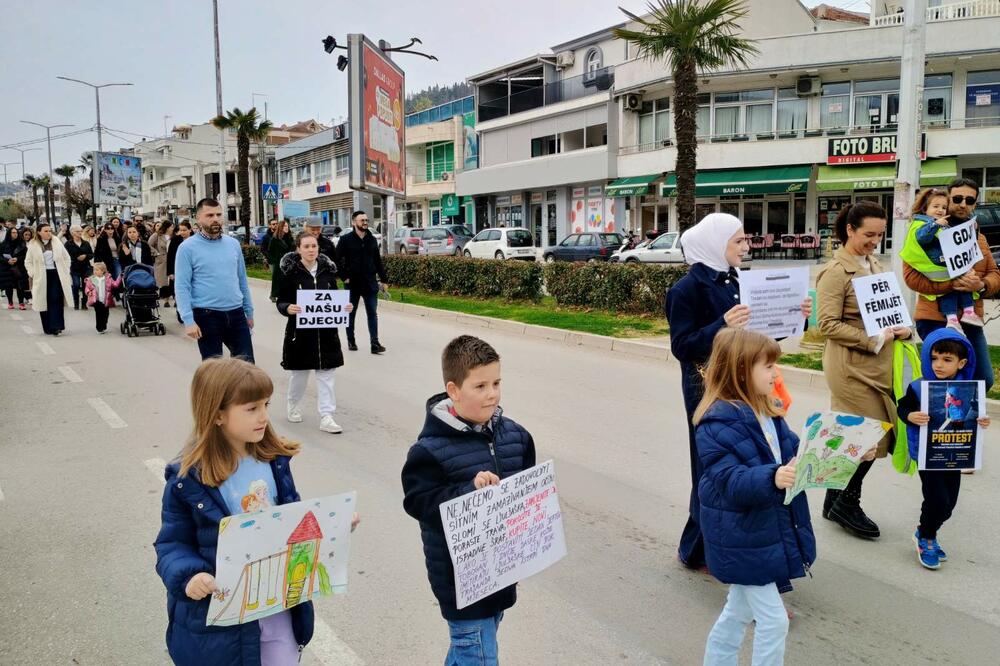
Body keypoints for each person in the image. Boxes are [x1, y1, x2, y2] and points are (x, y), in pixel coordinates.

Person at [155, 359, 328, 664]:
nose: (264, 416)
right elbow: (172, 544)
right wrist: (190, 576)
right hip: (219, 623)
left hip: (278, 608)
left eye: (266, 404)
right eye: (251, 408)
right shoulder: (188, 480)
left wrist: (331, 526)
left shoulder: (274, 461)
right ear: (218, 414)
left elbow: (293, 520)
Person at [666, 213, 810, 570]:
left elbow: (756, 336)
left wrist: (796, 314)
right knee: (712, 469)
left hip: (747, 386)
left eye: (746, 240)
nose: (746, 247)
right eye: (738, 241)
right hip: (709, 389)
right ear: (715, 246)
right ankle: (702, 548)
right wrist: (722, 325)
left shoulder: (737, 280)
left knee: (748, 461)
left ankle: (705, 547)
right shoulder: (685, 289)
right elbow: (683, 346)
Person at [402, 335, 536, 666]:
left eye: (496, 383)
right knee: (477, 652)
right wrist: (469, 492)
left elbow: (528, 490)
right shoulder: (429, 450)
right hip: (460, 581)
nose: (492, 393)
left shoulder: (515, 436)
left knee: (473, 648)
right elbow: (419, 502)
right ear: (453, 390)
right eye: (480, 386)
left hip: (500, 571)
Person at [695, 328, 816, 666]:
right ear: (740, 371)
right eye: (767, 367)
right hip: (741, 536)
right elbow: (729, 480)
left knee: (736, 612)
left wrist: (844, 451)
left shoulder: (770, 413)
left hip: (762, 532)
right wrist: (773, 476)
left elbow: (796, 453)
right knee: (774, 621)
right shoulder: (715, 422)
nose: (776, 373)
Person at [816, 201, 912, 539]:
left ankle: (833, 498)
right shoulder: (835, 272)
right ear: (849, 230)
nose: (875, 241)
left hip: (878, 365)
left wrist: (904, 329)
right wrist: (871, 339)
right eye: (868, 234)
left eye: (880, 235)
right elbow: (827, 324)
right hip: (849, 365)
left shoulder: (874, 264)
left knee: (859, 435)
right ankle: (847, 502)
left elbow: (892, 312)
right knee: (868, 434)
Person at [895, 329, 990, 570]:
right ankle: (927, 538)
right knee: (936, 499)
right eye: (934, 358)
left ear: (962, 362)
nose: (938, 365)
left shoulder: (968, 389)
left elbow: (971, 415)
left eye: (947, 360)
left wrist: (981, 420)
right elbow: (902, 408)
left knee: (949, 504)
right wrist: (910, 415)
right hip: (929, 454)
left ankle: (924, 530)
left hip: (955, 455)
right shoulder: (918, 387)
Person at [904, 177, 1000, 389]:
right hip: (934, 318)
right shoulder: (926, 233)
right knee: (940, 382)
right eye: (957, 198)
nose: (963, 204)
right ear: (948, 199)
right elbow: (911, 277)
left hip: (971, 321)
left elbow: (995, 274)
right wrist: (951, 284)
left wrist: (980, 285)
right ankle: (932, 420)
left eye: (970, 200)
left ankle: (965, 421)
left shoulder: (978, 237)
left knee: (983, 379)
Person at [276, 233, 353, 434]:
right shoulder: (291, 273)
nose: (311, 250)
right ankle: (293, 404)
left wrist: (344, 307)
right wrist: (287, 308)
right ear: (298, 249)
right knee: (299, 375)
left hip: (326, 335)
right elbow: (281, 300)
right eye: (307, 246)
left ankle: (327, 416)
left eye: (314, 246)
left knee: (326, 375)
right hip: (300, 335)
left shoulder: (327, 271)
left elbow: (334, 297)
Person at [175, 198, 255, 363]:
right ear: (198, 219)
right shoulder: (187, 248)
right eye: (209, 215)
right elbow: (182, 287)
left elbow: (242, 280)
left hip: (236, 313)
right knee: (214, 372)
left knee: (247, 368)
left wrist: (249, 311)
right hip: (207, 315)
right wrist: (188, 320)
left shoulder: (233, 244)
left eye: (218, 214)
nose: (216, 219)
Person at [900, 187, 981, 332]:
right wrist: (935, 225)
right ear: (925, 209)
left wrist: (973, 230)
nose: (940, 210)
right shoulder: (924, 224)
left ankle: (968, 312)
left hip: (951, 268)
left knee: (964, 283)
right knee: (949, 292)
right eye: (935, 206)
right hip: (941, 272)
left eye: (944, 207)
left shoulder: (947, 225)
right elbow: (923, 237)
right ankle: (952, 319)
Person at [336, 210, 388, 354]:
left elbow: (377, 261)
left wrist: (383, 280)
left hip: (369, 283)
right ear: (354, 222)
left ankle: (374, 343)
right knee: (350, 313)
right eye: (362, 220)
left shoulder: (371, 239)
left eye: (366, 220)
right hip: (352, 283)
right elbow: (336, 259)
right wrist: (343, 276)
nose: (365, 223)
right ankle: (351, 340)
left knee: (372, 313)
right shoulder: (345, 239)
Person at [24, 222, 72, 336]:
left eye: (50, 230)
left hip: (56, 274)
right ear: (39, 232)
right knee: (43, 300)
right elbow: (28, 261)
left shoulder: (56, 242)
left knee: (55, 299)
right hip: (41, 276)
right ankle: (47, 327)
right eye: (45, 231)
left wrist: (66, 270)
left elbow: (66, 258)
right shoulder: (33, 244)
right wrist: (33, 273)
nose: (48, 233)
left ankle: (56, 326)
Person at [84, 261, 121, 334]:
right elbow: (87, 288)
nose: (95, 271)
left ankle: (104, 324)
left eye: (97, 270)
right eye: (94, 270)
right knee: (98, 313)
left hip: (105, 300)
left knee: (105, 314)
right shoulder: (93, 279)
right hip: (96, 300)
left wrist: (120, 277)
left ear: (103, 271)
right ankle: (99, 328)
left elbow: (115, 284)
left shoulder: (107, 278)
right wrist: (89, 292)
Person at [64, 224, 94, 310]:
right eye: (78, 231)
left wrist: (85, 256)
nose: (80, 233)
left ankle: (84, 303)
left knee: (85, 286)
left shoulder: (86, 243)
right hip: (74, 267)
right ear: (72, 233)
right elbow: (65, 256)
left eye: (81, 231)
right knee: (76, 285)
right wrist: (75, 259)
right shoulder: (68, 244)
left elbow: (91, 254)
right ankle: (76, 302)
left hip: (85, 267)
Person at [167, 221, 192, 320]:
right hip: (178, 269)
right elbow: (170, 256)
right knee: (180, 292)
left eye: (184, 230)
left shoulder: (195, 240)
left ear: (190, 230)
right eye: (180, 230)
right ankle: (180, 311)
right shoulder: (175, 240)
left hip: (192, 269)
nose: (182, 232)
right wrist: (170, 272)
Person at [266, 219, 295, 302]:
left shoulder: (290, 237)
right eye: (285, 226)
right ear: (281, 227)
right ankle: (275, 295)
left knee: (288, 280)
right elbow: (270, 251)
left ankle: (287, 295)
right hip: (279, 263)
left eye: (287, 226)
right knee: (279, 280)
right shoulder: (275, 239)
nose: (287, 228)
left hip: (290, 263)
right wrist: (275, 260)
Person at [1, 227, 27, 310]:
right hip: (7, 268)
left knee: (20, 286)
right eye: (13, 232)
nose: (15, 234)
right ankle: (10, 302)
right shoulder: (3, 244)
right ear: (9, 233)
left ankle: (21, 302)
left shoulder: (22, 244)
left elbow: (26, 256)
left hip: (19, 268)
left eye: (16, 232)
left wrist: (17, 259)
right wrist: (7, 260)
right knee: (8, 286)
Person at [149, 221, 173, 308]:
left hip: (172, 259)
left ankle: (174, 299)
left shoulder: (173, 236)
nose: (172, 228)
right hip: (161, 260)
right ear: (167, 227)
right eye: (171, 226)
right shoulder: (157, 235)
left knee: (171, 279)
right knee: (162, 281)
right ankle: (165, 300)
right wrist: (156, 253)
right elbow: (149, 245)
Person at [15, 227, 33, 305]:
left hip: (32, 265)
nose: (27, 236)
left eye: (29, 235)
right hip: (22, 266)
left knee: (31, 282)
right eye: (25, 235)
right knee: (24, 282)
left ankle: (30, 296)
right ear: (22, 235)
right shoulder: (19, 244)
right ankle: (27, 297)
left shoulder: (33, 243)